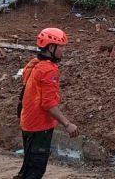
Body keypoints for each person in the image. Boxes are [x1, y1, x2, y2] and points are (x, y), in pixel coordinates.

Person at [15, 28, 79, 179]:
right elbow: (48, 104)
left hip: (27, 122)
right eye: (61, 46)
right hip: (40, 126)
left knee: (28, 167)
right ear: (51, 48)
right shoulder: (49, 71)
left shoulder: (33, 64)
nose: (63, 50)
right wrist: (67, 124)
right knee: (35, 171)